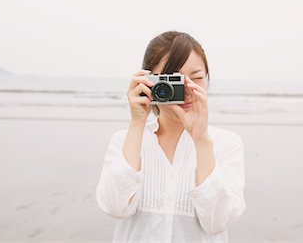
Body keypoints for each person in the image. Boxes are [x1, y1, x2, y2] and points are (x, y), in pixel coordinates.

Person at [96, 31, 246, 243]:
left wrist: (201, 140)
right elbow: (116, 207)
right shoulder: (123, 141)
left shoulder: (226, 144)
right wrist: (137, 122)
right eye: (172, 80)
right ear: (147, 81)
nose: (186, 89)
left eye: (196, 78)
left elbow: (217, 223)